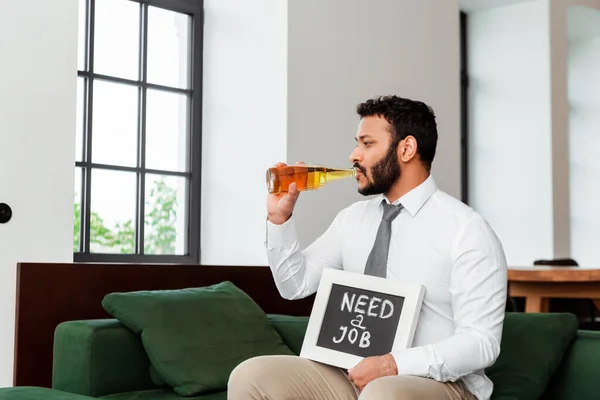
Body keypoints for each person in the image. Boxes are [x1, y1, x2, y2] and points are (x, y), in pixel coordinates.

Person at [228, 95, 508, 400]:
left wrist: (392, 364)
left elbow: (482, 343)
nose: (353, 155)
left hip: (437, 384)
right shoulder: (352, 219)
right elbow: (294, 285)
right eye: (357, 143)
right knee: (251, 376)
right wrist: (278, 219)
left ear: (406, 149)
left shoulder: (467, 231)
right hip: (349, 372)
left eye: (367, 144)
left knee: (383, 394)